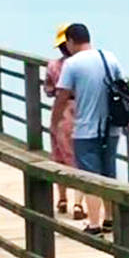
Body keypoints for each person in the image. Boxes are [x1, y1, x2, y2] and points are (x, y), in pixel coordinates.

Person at [52, 23, 126, 234]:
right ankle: (110, 219)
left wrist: (55, 122)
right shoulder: (110, 58)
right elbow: (123, 89)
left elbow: (62, 96)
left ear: (71, 42)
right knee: (108, 173)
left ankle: (94, 224)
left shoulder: (72, 64)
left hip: (85, 129)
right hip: (111, 127)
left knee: (90, 176)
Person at [43, 26, 80, 217]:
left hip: (61, 112)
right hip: (82, 110)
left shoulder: (53, 66)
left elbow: (49, 90)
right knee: (79, 158)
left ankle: (62, 198)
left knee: (59, 156)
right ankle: (79, 204)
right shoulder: (83, 65)